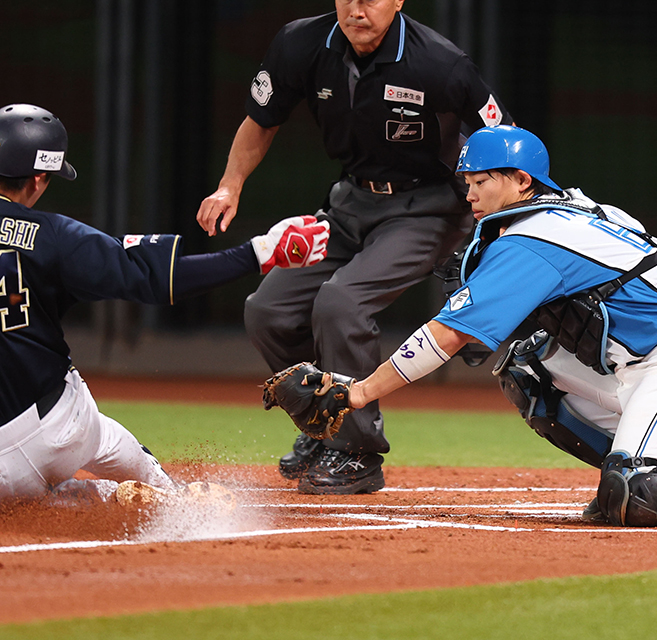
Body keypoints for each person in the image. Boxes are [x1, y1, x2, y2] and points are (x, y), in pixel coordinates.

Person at [301, 124, 657, 529]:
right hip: (634, 364)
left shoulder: (530, 240)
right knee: (530, 368)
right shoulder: (582, 209)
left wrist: (358, 393)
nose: (469, 194)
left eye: (481, 181)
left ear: (521, 181)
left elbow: (449, 335)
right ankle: (627, 473)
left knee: (641, 493)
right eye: (466, 182)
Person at [196, 0, 512, 495]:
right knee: (269, 310)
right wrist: (229, 186)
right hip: (349, 203)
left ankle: (356, 452)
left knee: (342, 302)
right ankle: (323, 424)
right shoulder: (302, 43)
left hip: (428, 207)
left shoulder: (439, 63)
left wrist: (492, 236)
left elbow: (504, 142)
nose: (357, 8)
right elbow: (261, 120)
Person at [0, 103, 330, 507]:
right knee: (107, 439)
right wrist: (259, 252)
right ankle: (167, 497)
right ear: (39, 177)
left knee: (31, 492)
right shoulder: (51, 235)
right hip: (57, 430)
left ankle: (61, 499)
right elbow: (157, 278)